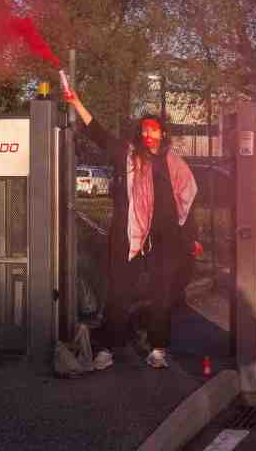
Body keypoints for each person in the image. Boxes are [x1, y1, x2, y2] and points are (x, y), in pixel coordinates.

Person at [65, 88, 200, 370]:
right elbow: (98, 134)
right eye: (144, 130)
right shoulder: (127, 157)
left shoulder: (176, 164)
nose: (149, 134)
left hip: (166, 240)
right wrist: (76, 102)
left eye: (154, 130)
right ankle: (108, 348)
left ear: (163, 134)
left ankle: (158, 347)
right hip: (128, 236)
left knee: (162, 295)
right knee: (119, 294)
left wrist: (193, 238)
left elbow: (187, 204)